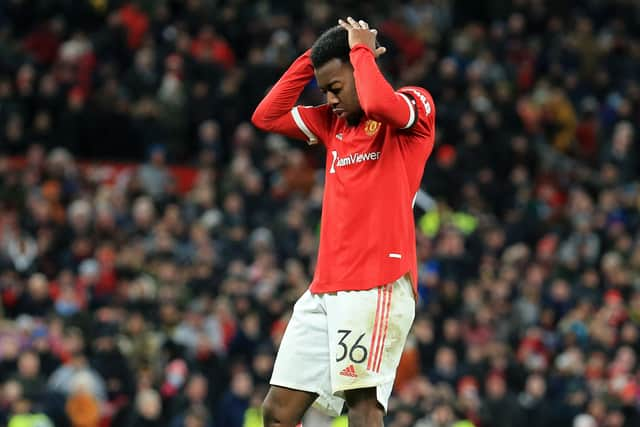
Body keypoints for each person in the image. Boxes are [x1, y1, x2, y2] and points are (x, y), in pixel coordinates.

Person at [251, 17, 436, 426]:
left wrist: (361, 52)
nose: (330, 100)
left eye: (336, 88)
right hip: (325, 288)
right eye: (324, 91)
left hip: (377, 282)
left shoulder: (414, 106)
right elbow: (267, 116)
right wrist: (316, 57)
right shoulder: (333, 124)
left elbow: (377, 104)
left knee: (362, 405)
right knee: (277, 412)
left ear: (361, 67)